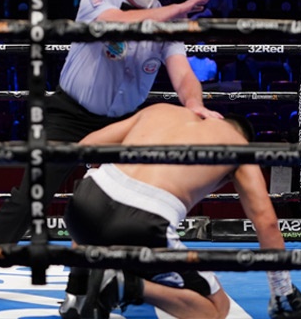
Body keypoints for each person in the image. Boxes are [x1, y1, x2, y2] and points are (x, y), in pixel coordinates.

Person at [0, 0, 222, 312]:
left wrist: (195, 106)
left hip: (123, 124)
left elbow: (182, 75)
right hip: (70, 114)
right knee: (30, 195)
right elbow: (113, 24)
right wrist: (177, 9)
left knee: (123, 206)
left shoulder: (167, 24)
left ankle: (105, 286)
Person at [64, 102, 301, 319]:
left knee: (96, 183)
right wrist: (281, 291)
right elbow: (266, 221)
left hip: (83, 205)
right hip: (143, 222)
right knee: (217, 309)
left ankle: (76, 295)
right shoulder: (238, 146)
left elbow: (86, 146)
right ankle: (126, 285)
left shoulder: (160, 110)